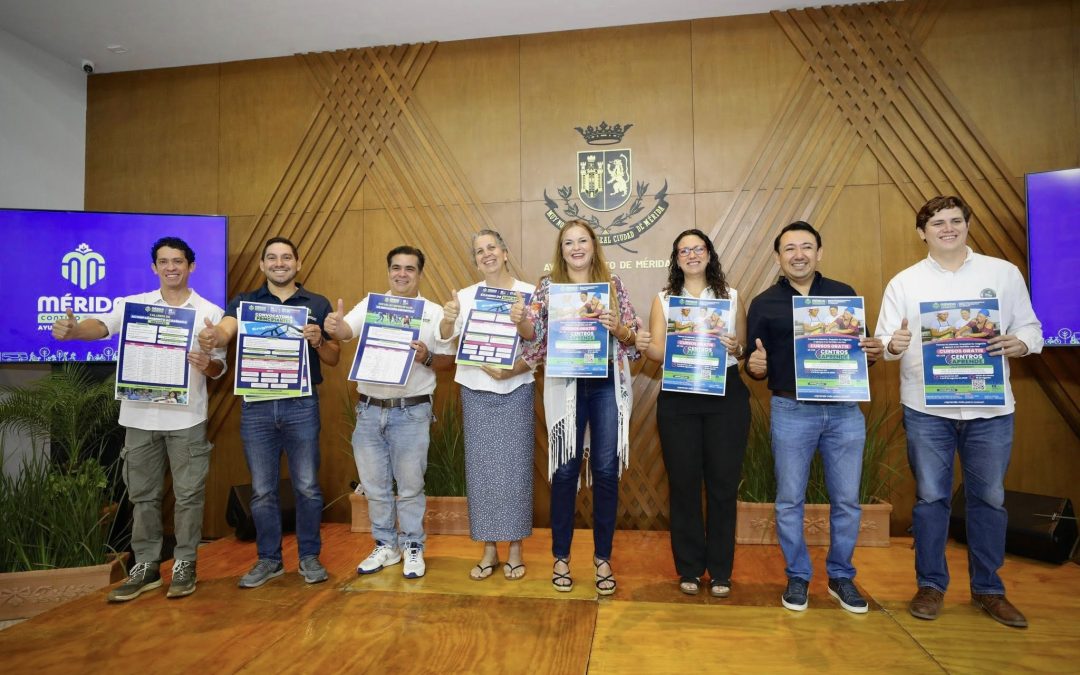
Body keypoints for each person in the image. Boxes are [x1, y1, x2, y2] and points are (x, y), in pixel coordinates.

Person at [876, 195, 1042, 628]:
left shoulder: (1003, 273)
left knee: (990, 499)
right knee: (931, 498)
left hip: (990, 409)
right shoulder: (904, 282)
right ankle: (930, 585)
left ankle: (989, 590)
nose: (947, 228)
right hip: (926, 409)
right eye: (937, 223)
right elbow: (885, 343)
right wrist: (893, 344)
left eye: (955, 220)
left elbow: (1031, 327)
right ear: (922, 233)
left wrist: (1021, 342)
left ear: (968, 224)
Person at [51, 236, 226, 602]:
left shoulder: (208, 312)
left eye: (178, 261)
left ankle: (185, 563)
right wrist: (75, 331)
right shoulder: (134, 305)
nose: (171, 267)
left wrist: (206, 363)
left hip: (186, 420)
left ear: (191, 266)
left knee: (189, 496)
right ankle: (145, 566)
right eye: (164, 261)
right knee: (142, 496)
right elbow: (101, 326)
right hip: (139, 418)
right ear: (154, 267)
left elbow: (218, 368)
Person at [744, 221, 884, 614]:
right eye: (789, 248)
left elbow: (861, 354)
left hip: (844, 411)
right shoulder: (764, 303)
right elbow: (755, 365)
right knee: (789, 500)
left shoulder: (844, 295)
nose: (799, 255)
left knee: (847, 501)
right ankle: (798, 576)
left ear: (819, 252)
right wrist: (755, 366)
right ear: (778, 257)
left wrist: (872, 353)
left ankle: (841, 577)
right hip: (791, 411)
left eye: (806, 247)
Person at [198, 236, 340, 588]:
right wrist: (213, 337)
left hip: (301, 405)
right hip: (257, 406)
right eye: (272, 258)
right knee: (262, 490)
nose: (280, 263)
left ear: (298, 264)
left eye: (286, 257)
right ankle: (269, 560)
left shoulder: (316, 303)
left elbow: (334, 357)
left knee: (307, 487)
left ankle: (309, 556)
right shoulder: (244, 302)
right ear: (262, 265)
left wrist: (319, 341)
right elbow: (225, 331)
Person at [517, 218, 639, 596]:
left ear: (593, 245)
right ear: (561, 250)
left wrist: (617, 327)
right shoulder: (547, 287)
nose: (576, 248)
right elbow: (533, 339)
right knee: (566, 471)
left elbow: (632, 338)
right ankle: (561, 558)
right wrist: (521, 322)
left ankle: (603, 559)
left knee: (605, 471)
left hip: (605, 383)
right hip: (565, 383)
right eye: (568, 242)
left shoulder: (612, 284)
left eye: (582, 240)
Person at [324, 245, 453, 579]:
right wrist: (335, 325)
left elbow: (448, 361)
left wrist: (426, 357)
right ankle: (386, 546)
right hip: (369, 411)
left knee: (410, 488)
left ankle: (413, 546)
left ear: (420, 274)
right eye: (396, 267)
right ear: (388, 272)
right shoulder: (373, 304)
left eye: (409, 269)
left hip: (411, 413)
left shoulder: (433, 312)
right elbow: (345, 332)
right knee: (375, 487)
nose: (402, 274)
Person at [634, 229, 750, 598]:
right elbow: (656, 352)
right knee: (683, 485)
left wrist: (736, 346)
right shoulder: (665, 299)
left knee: (722, 486)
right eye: (684, 250)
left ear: (709, 254)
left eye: (698, 248)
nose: (692, 255)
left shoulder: (731, 297)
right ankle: (689, 568)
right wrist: (645, 344)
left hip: (725, 396)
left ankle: (721, 571)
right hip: (680, 396)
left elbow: (742, 350)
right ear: (676, 259)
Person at [437, 230, 535, 581]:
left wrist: (514, 367)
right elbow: (445, 338)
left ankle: (516, 548)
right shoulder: (464, 297)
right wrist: (448, 317)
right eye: (479, 251)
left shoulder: (529, 293)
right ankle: (489, 549)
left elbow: (537, 344)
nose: (486, 254)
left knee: (516, 472)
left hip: (516, 389)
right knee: (482, 474)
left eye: (492, 247)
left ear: (505, 253)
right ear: (475, 261)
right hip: (476, 390)